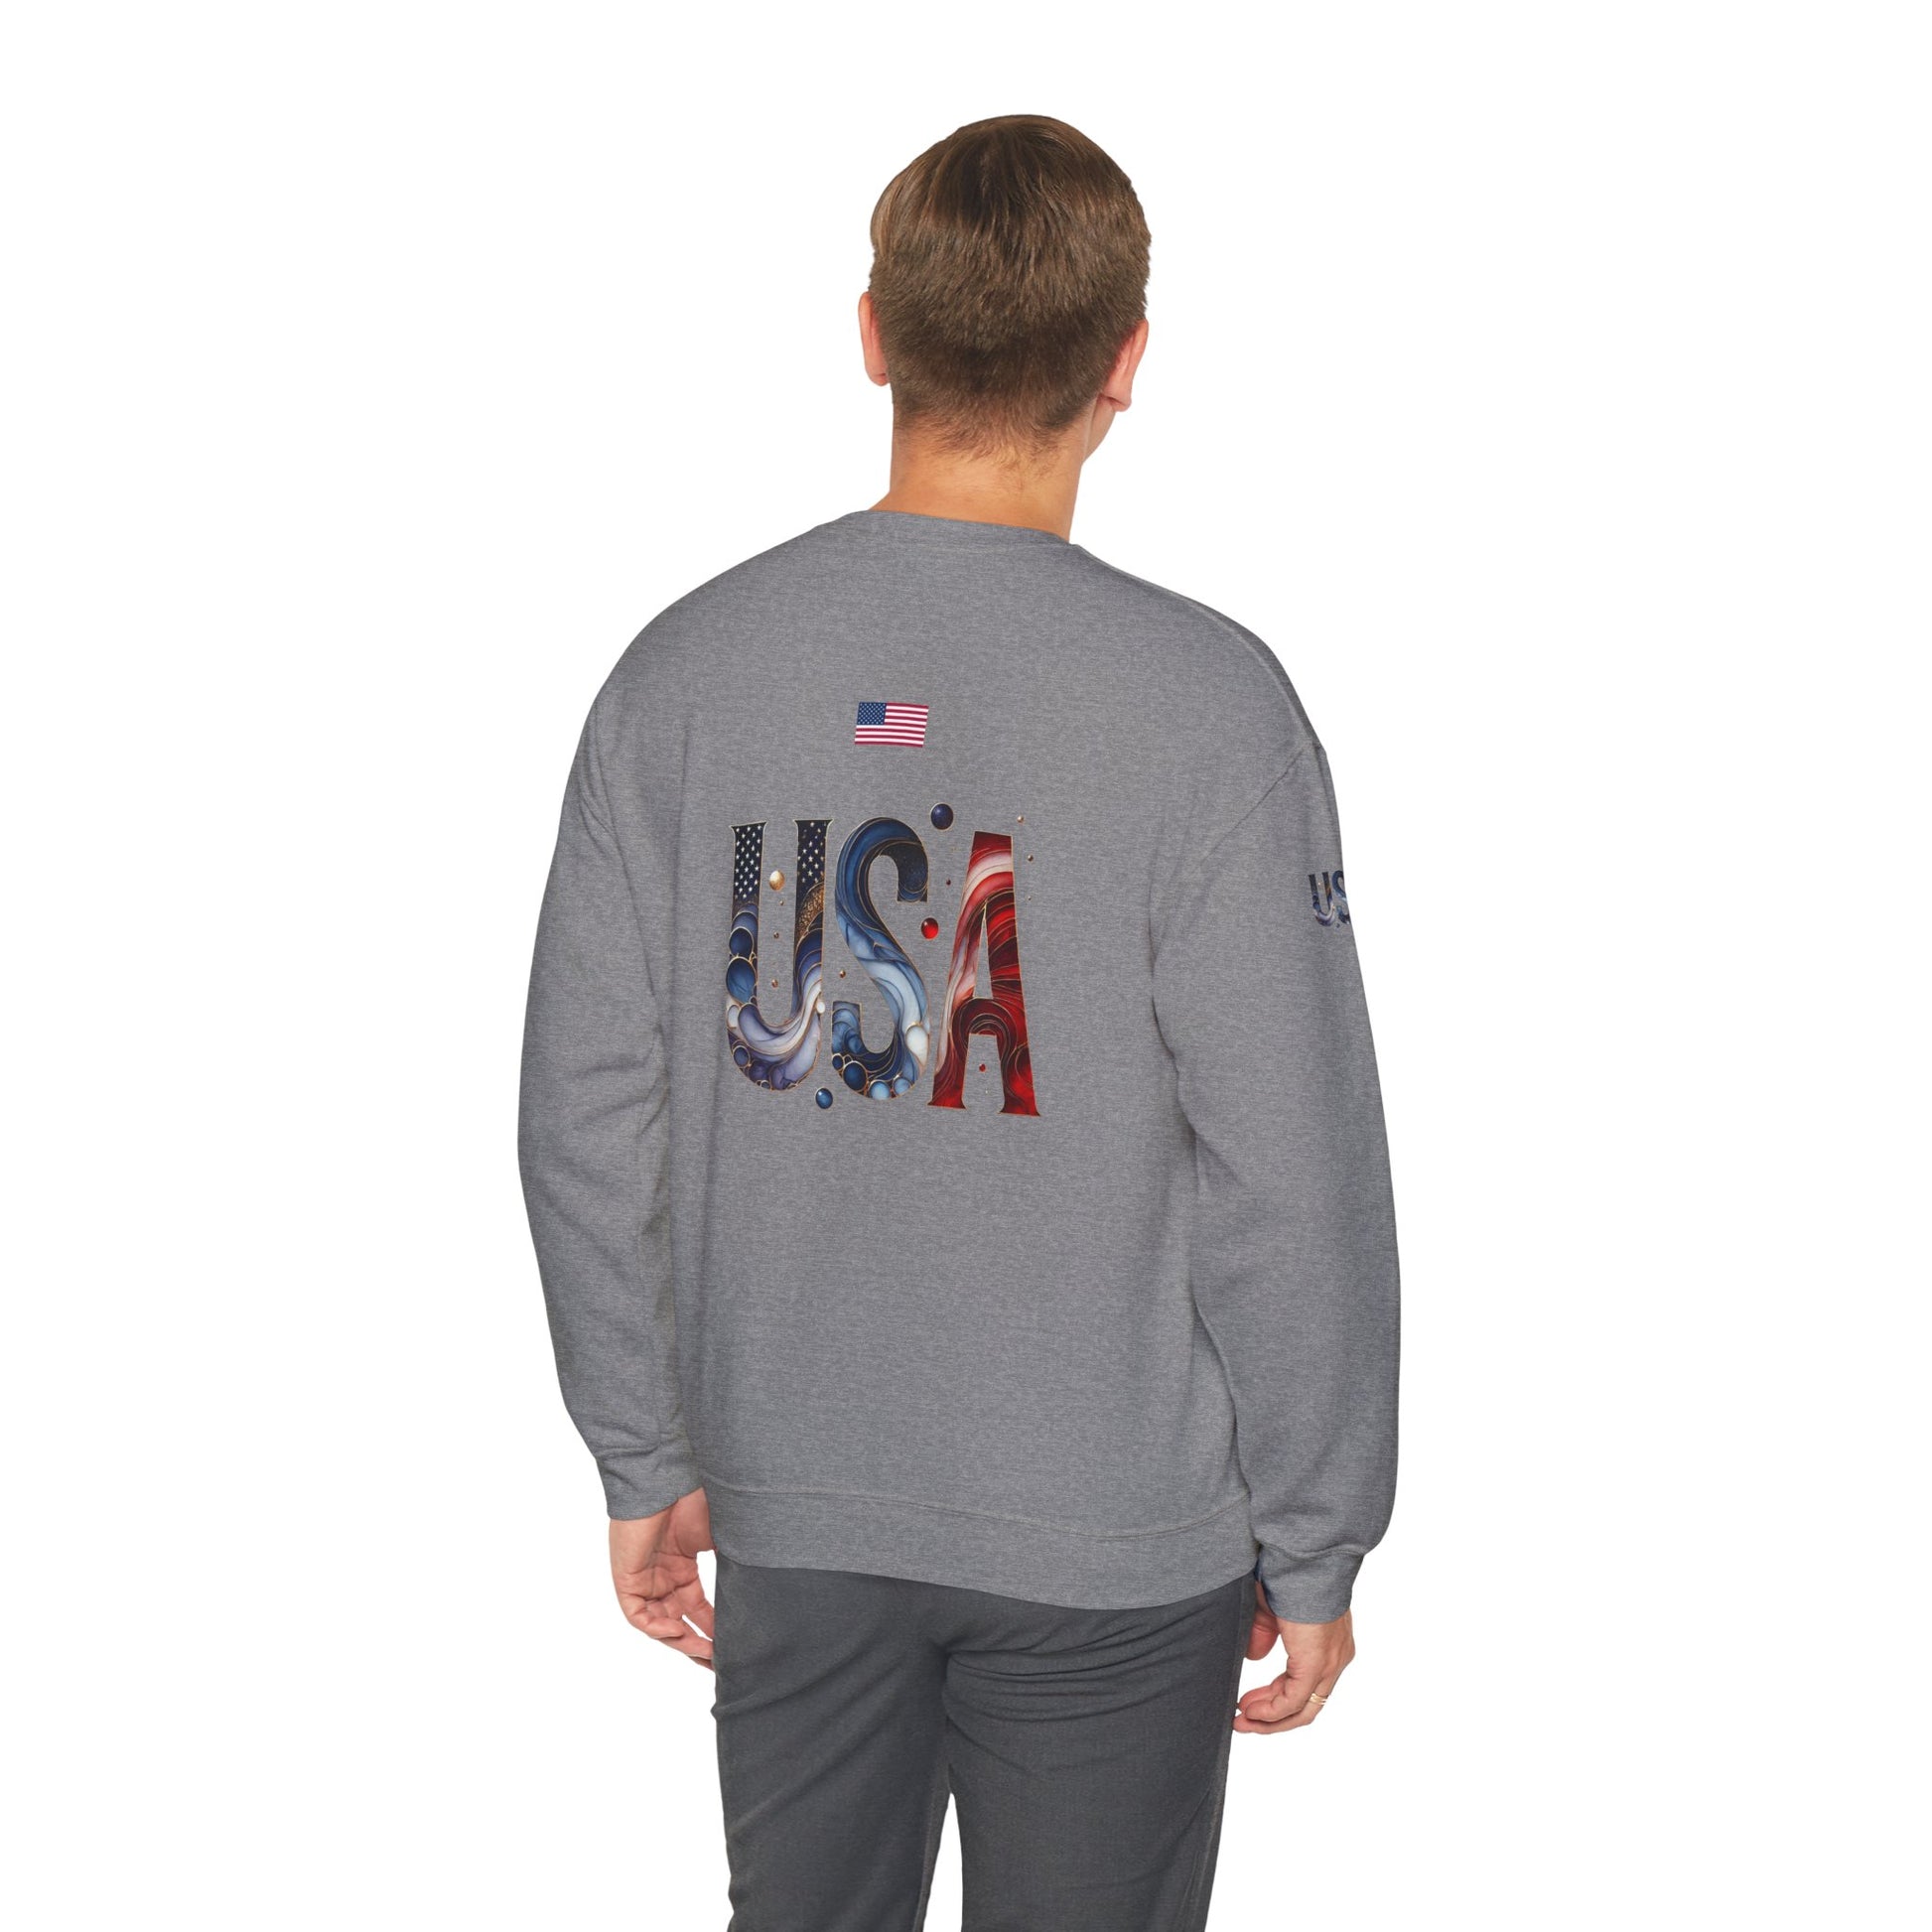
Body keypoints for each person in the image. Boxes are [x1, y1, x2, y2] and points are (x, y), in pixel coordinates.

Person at [519, 113, 1400, 1930]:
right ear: (1127, 361)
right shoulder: (1209, 707)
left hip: (796, 1500)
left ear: (871, 334)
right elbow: (1290, 1163)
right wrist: (1315, 1529)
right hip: (1113, 1529)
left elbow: (587, 1111)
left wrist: (644, 1445)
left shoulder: (682, 676)